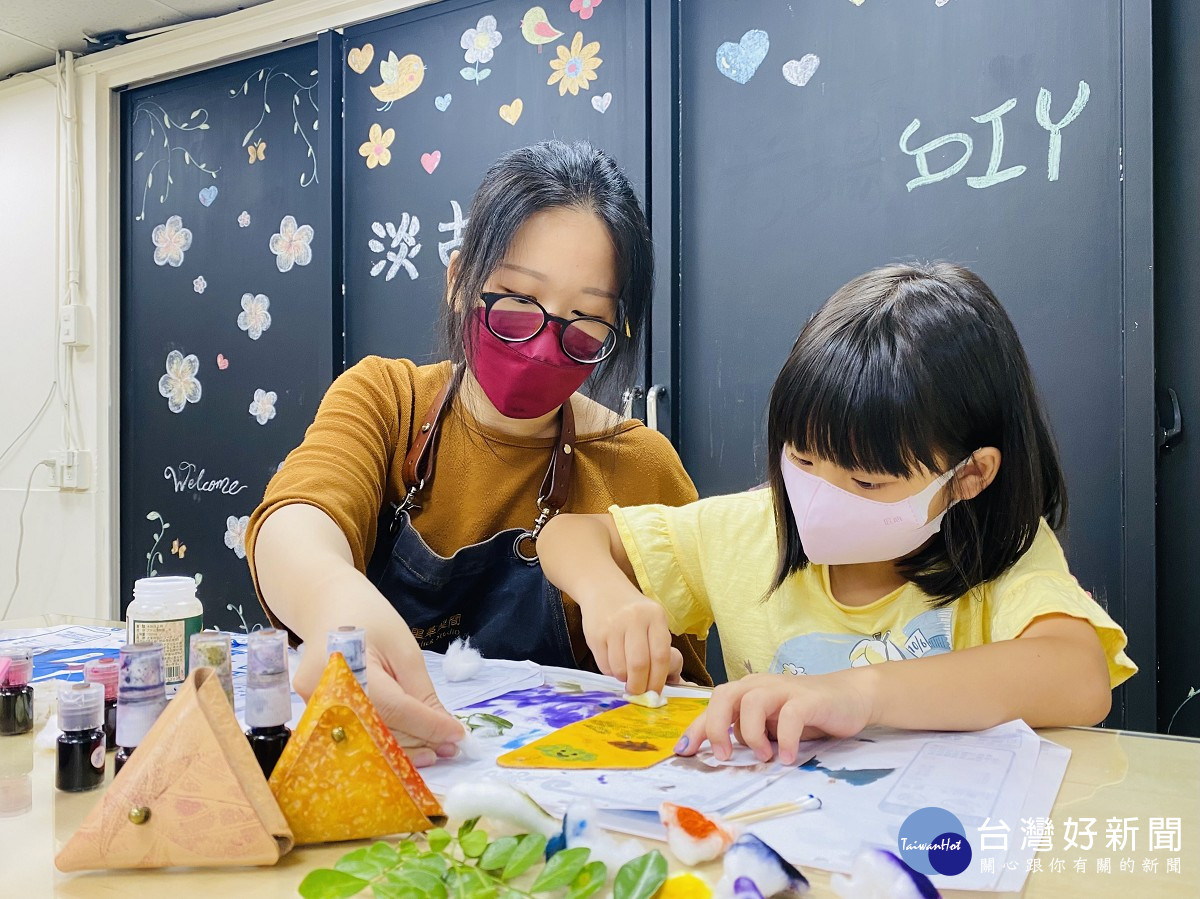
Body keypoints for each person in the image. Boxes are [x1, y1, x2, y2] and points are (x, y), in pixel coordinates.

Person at [539, 262, 1137, 764]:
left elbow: (1079, 677)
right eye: (801, 459)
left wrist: (859, 693)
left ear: (970, 475)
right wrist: (606, 595)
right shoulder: (751, 531)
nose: (819, 496)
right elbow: (565, 536)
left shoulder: (1001, 551)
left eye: (867, 480)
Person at [248, 141, 710, 765]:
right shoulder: (388, 401)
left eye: (584, 321)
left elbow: (688, 702)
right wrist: (335, 602)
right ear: (459, 281)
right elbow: (294, 525)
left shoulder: (642, 466)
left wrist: (658, 673)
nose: (545, 346)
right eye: (519, 301)